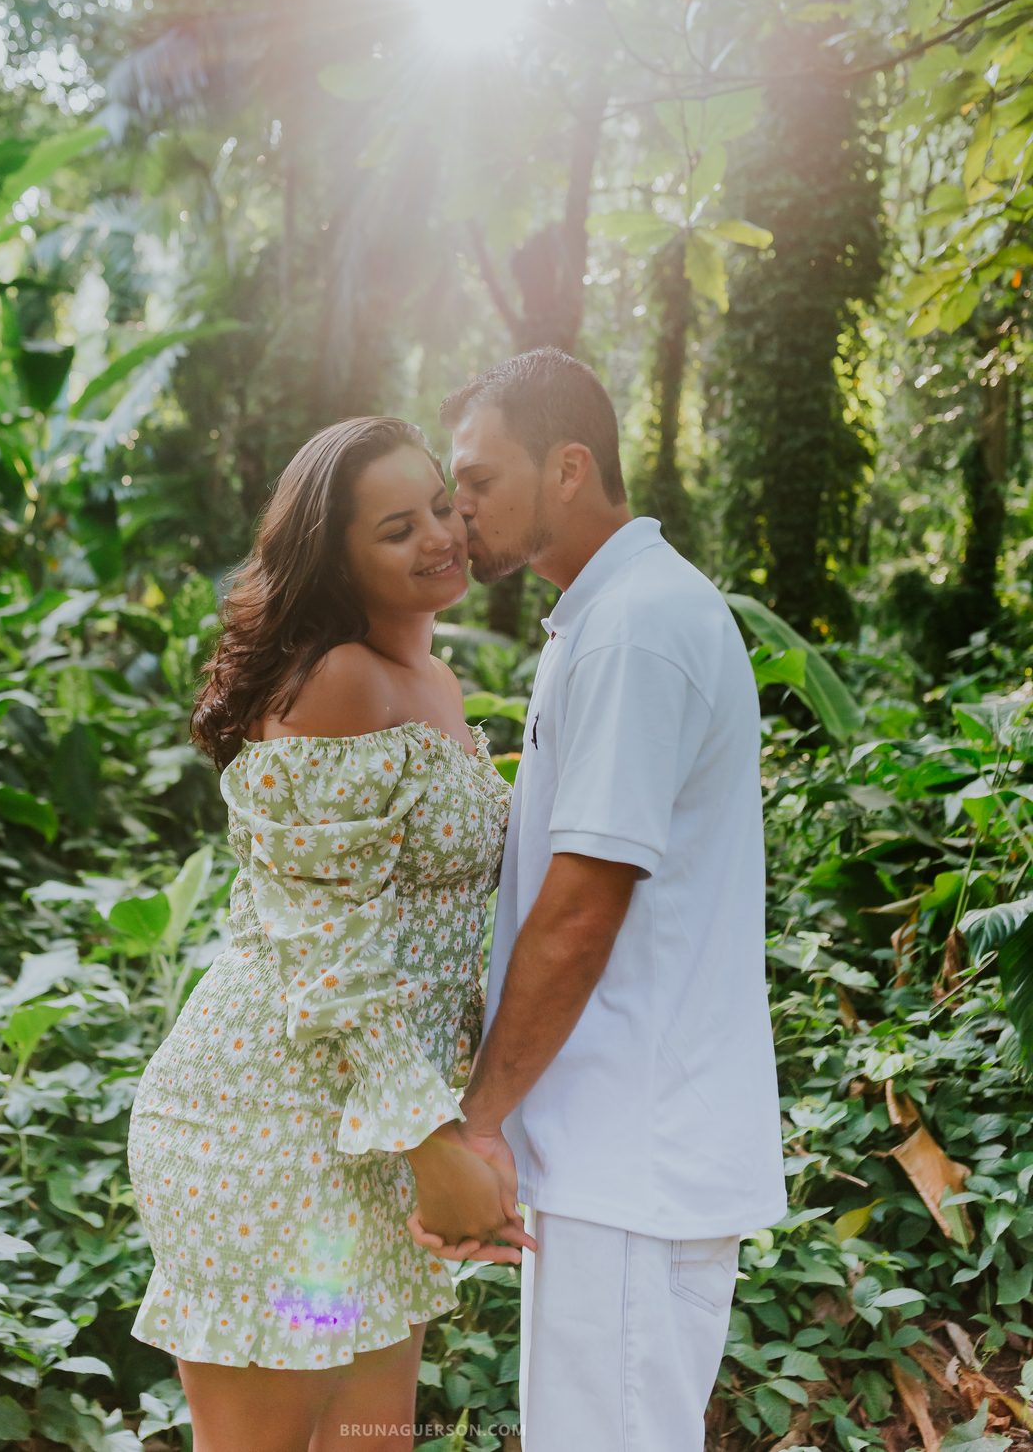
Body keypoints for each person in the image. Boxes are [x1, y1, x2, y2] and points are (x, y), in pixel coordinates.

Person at [126, 415, 532, 1452]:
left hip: (365, 1138)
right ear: (336, 559)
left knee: (367, 1441)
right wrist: (432, 1143)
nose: (440, 535)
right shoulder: (339, 682)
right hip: (268, 1144)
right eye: (397, 528)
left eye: (439, 506)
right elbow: (329, 949)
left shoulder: (434, 681)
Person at [409, 348, 786, 1452]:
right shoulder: (610, 616)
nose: (460, 510)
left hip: (634, 1155)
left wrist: (478, 1121)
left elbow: (581, 910)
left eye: (480, 481)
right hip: (613, 1156)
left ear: (569, 468)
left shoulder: (635, 628)